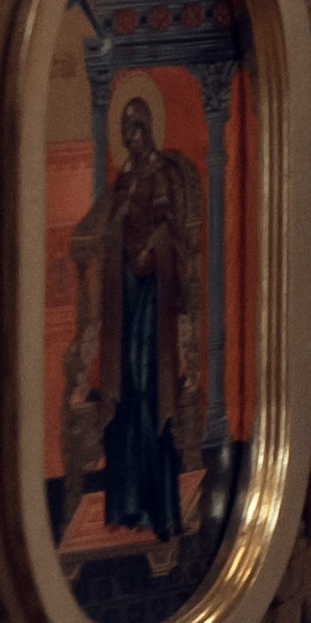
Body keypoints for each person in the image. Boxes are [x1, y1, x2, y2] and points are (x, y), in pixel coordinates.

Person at [65, 91, 204, 570]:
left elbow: (175, 234)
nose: (132, 136)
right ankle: (127, 506)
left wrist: (148, 247)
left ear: (149, 128)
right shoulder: (125, 179)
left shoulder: (164, 175)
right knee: (123, 396)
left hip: (154, 301)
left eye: (137, 127)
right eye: (126, 129)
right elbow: (102, 223)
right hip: (126, 298)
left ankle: (159, 510)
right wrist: (118, 227)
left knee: (149, 390)